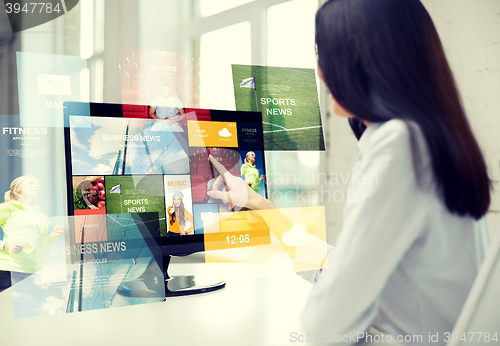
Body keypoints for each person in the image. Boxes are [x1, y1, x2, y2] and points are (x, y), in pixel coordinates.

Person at [206, 0, 492, 344]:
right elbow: (342, 266)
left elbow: (327, 323)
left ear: (357, 55)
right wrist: (259, 204)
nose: (320, 71)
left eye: (322, 52)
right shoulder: (435, 136)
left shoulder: (399, 145)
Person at [0, 176, 63, 293]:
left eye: (37, 184)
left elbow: (40, 242)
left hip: (34, 273)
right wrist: (5, 245)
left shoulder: (39, 212)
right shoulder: (8, 207)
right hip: (10, 270)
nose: (36, 186)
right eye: (31, 183)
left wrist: (54, 235)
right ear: (17, 188)